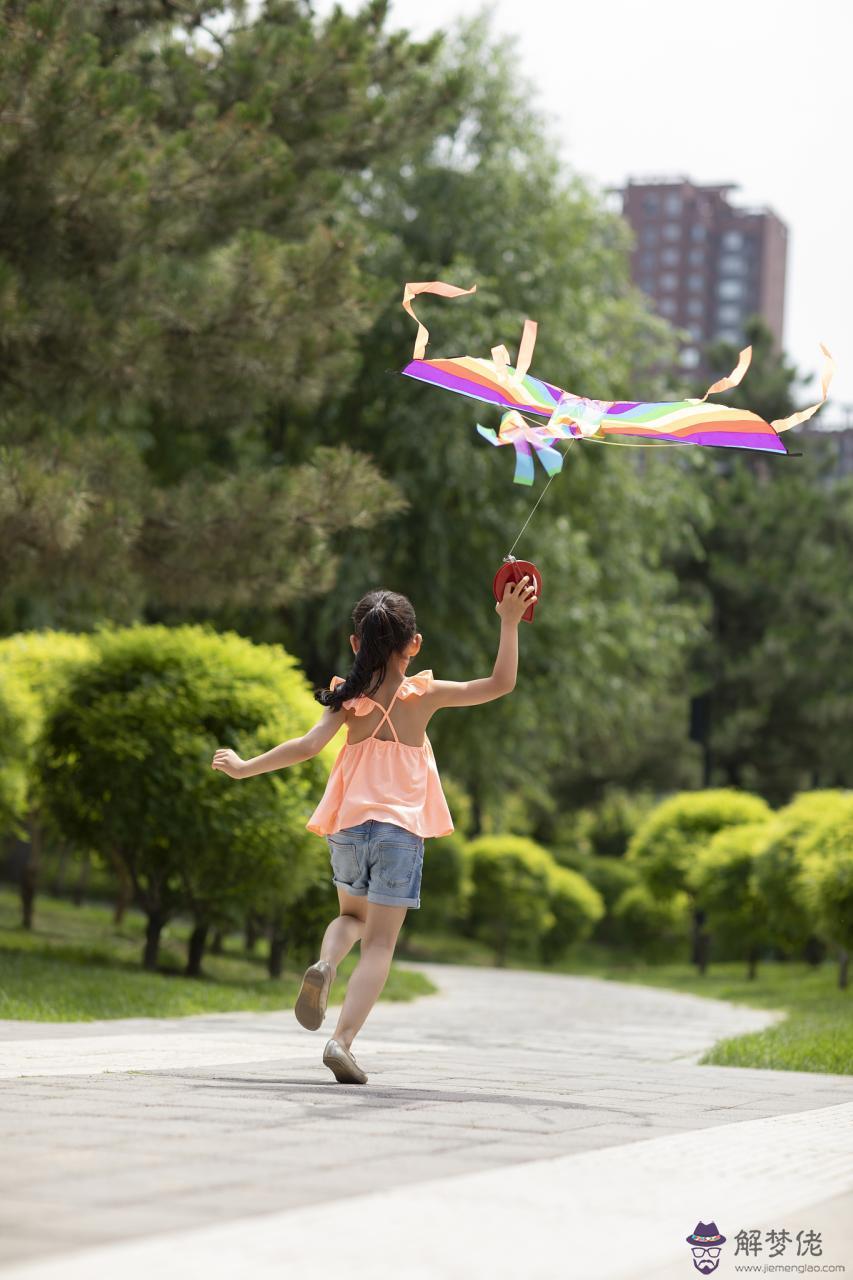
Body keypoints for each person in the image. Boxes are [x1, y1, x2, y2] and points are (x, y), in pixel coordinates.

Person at [211, 575, 537, 1084]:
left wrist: (244, 766)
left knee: (349, 918)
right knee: (380, 945)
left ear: (356, 643)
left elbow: (306, 747)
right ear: (415, 644)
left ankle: (326, 964)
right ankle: (341, 1041)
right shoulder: (422, 696)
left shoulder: (347, 699)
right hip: (399, 835)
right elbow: (499, 684)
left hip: (348, 829)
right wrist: (510, 623)